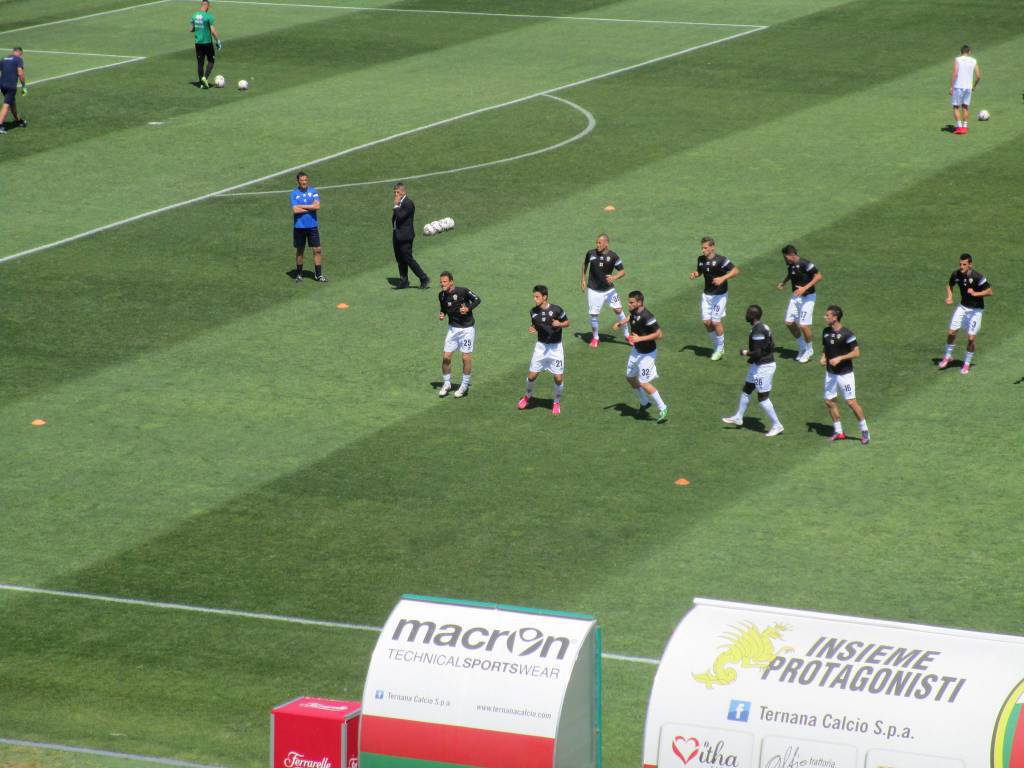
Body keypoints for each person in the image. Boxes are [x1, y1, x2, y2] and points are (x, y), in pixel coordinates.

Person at [722, 305, 784, 437]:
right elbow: (772, 345)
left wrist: (745, 352)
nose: (745, 315)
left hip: (764, 367)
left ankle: (777, 425)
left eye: (747, 313)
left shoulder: (758, 331)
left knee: (762, 397)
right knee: (747, 388)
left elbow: (757, 352)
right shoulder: (763, 327)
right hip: (758, 365)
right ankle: (738, 417)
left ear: (752, 315)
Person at [613, 291, 668, 423]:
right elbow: (630, 317)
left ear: (639, 302)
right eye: (629, 302)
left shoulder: (647, 316)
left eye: (631, 302)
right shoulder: (634, 311)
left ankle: (663, 407)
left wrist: (640, 338)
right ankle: (644, 402)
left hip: (647, 354)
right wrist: (621, 323)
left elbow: (659, 334)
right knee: (630, 377)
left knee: (643, 382)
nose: (629, 304)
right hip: (636, 350)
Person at [820, 305, 869, 444]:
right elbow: (826, 347)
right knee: (829, 401)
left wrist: (840, 358)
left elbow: (856, 352)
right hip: (830, 373)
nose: (825, 317)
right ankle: (839, 432)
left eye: (827, 315)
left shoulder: (847, 334)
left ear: (835, 317)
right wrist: (823, 357)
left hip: (845, 374)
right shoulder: (826, 331)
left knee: (851, 402)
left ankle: (865, 431)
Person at [518, 285, 569, 415]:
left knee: (558, 378)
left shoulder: (557, 310)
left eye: (537, 297)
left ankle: (556, 402)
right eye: (534, 297)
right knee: (531, 376)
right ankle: (527, 396)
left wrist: (560, 323)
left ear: (544, 297)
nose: (534, 299)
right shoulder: (533, 311)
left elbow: (567, 323)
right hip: (541, 347)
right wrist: (533, 328)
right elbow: (536, 324)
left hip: (556, 348)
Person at [939, 253, 992, 374]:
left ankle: (967, 363)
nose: (961, 267)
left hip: (976, 310)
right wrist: (950, 297)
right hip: (962, 307)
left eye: (964, 264)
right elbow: (949, 285)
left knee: (971, 338)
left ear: (970, 265)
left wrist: (976, 293)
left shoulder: (977, 276)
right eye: (960, 264)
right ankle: (947, 356)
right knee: (951, 332)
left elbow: (989, 291)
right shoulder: (956, 274)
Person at [689, 236, 739, 360]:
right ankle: (717, 346)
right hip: (707, 295)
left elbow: (736, 270)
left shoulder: (721, 260)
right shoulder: (701, 259)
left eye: (705, 248)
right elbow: (700, 271)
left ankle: (720, 349)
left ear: (712, 247)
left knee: (716, 321)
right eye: (702, 248)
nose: (703, 250)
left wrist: (723, 278)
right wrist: (695, 274)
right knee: (707, 322)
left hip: (720, 295)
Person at [581, 234, 630, 347]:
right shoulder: (591, 253)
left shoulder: (613, 256)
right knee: (594, 315)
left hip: (609, 290)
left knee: (618, 310)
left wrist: (614, 277)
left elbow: (622, 271)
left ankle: (627, 336)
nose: (597, 245)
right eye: (596, 243)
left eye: (600, 243)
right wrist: (583, 279)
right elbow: (585, 264)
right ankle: (595, 338)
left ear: (606, 243)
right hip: (594, 290)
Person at [776, 244, 822, 363]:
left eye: (785, 257)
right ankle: (802, 347)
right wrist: (784, 282)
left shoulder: (805, 263)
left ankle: (809, 349)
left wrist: (804, 288)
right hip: (796, 296)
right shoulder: (790, 264)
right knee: (789, 322)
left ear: (791, 254)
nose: (785, 259)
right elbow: (791, 273)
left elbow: (818, 276)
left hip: (808, 298)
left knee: (803, 325)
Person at [437, 271, 480, 398]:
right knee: (446, 357)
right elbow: (443, 308)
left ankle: (464, 385)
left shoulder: (463, 291)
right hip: (452, 330)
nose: (442, 284)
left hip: (467, 330)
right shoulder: (441, 295)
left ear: (451, 282)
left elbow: (477, 299)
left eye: (445, 282)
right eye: (441, 282)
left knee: (466, 358)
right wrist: (442, 314)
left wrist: (468, 308)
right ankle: (447, 384)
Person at [290, 172, 327, 282]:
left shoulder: (313, 191)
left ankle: (318, 275)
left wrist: (301, 206)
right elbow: (295, 210)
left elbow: (317, 206)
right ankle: (299, 274)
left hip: (312, 226)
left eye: (306, 180)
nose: (304, 182)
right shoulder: (294, 193)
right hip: (299, 227)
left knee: (317, 250)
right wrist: (311, 208)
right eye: (302, 180)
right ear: (298, 181)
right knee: (300, 250)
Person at [392, 183, 429, 289]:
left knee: (408, 259)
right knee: (400, 259)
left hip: (405, 236)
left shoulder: (408, 203)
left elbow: (400, 217)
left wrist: (396, 205)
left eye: (398, 192)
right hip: (397, 234)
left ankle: (424, 278)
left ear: (404, 192)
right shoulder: (400, 203)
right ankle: (404, 281)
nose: (396, 194)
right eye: (395, 192)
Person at [190, 0, 222, 89]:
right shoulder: (209, 16)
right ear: (207, 6)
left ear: (201, 5)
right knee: (211, 61)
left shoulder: (194, 16)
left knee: (200, 63)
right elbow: (213, 31)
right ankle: (205, 78)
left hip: (198, 43)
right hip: (207, 43)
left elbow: (192, 29)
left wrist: (197, 28)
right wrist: (218, 41)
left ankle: (201, 83)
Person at [950, 44, 980, 135]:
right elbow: (978, 76)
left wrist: (951, 86)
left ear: (961, 52)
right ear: (969, 52)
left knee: (956, 107)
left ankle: (959, 127)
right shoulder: (974, 60)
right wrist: (974, 86)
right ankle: (965, 127)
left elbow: (955, 73)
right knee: (965, 107)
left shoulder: (957, 59)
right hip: (968, 87)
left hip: (958, 86)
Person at [0, 46, 27, 134]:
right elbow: (20, 73)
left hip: (2, 85)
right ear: (19, 52)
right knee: (6, 105)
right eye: (21, 54)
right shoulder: (18, 59)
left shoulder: (3, 59)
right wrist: (24, 86)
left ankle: (19, 121)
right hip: (11, 86)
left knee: (12, 103)